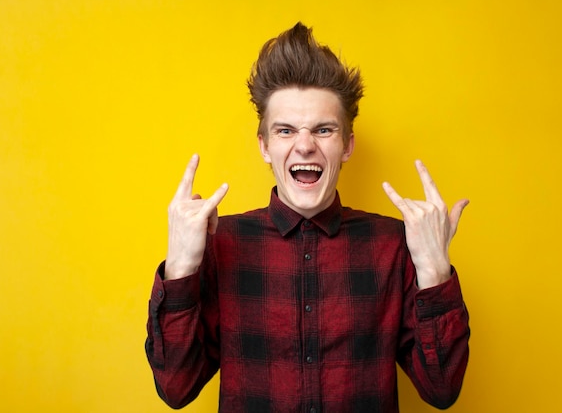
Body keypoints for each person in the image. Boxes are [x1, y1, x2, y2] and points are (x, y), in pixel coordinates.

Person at [146, 22, 470, 412]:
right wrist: (181, 265)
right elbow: (175, 388)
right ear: (264, 146)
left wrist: (434, 270)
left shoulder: (394, 244)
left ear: (347, 145)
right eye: (285, 130)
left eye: (323, 130)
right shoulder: (220, 244)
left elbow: (442, 390)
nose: (304, 146)